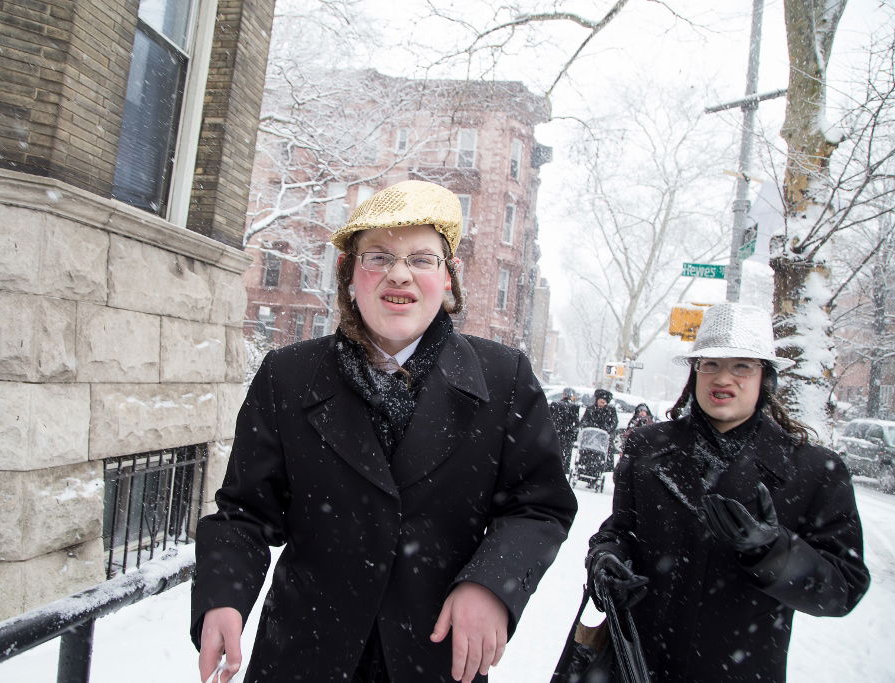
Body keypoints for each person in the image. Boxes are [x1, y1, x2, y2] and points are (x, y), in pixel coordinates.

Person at [191, 179, 578, 683]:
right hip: (306, 655)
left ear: (448, 278)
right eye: (378, 257)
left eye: (421, 259)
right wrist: (223, 596)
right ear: (350, 274)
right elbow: (244, 512)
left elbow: (539, 505)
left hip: (435, 657)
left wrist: (491, 585)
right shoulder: (287, 376)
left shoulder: (504, 379)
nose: (399, 274)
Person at [586, 302, 870, 682]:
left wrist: (774, 552)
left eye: (742, 366)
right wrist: (605, 559)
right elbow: (619, 531)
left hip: (741, 670)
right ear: (695, 373)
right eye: (711, 364)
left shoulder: (815, 470)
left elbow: (842, 588)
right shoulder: (646, 448)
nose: (724, 379)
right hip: (638, 664)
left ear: (765, 379)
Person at [550, 387, 581, 472]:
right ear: (572, 396)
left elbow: (549, 418)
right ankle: (562, 471)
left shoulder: (554, 404)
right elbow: (576, 423)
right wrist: (573, 436)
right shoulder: (574, 407)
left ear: (563, 394)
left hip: (555, 434)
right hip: (567, 435)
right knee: (565, 456)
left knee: (554, 454)